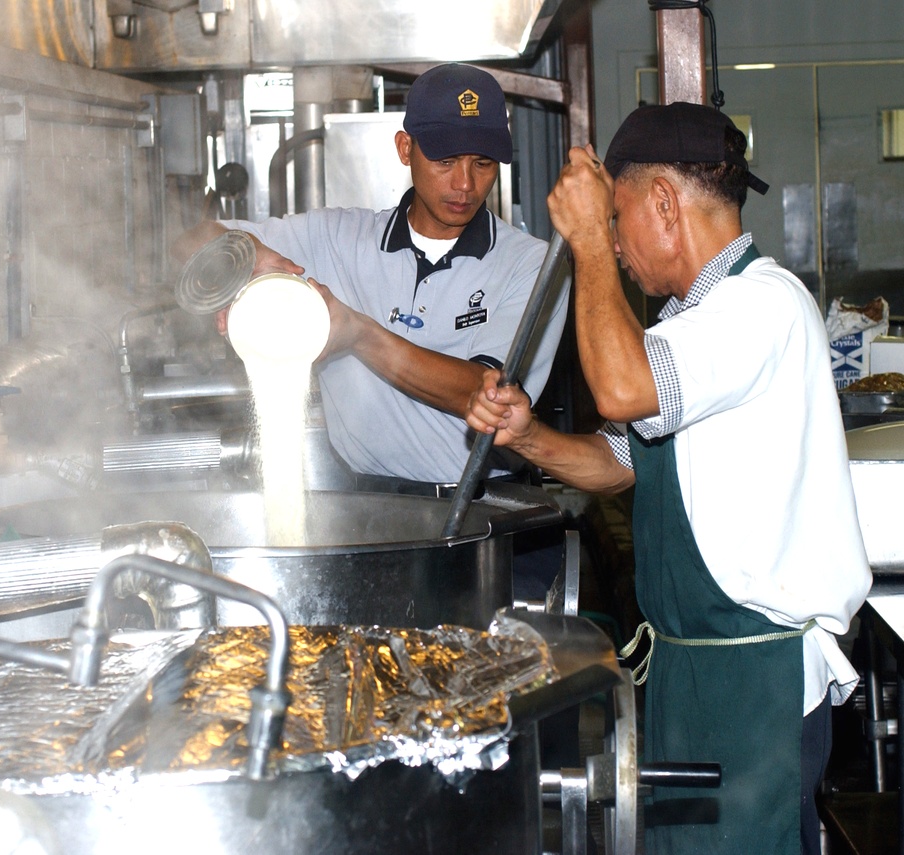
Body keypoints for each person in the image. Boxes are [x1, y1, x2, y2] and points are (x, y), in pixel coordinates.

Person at [465, 101, 873, 855]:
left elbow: (621, 389)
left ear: (662, 202)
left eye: (618, 219)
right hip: (692, 666)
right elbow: (621, 463)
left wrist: (586, 240)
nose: (615, 243)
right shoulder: (692, 321)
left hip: (755, 677)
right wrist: (530, 436)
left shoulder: (762, 306)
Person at [173, 63, 569, 488]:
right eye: (446, 160)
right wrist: (241, 259)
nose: (465, 184)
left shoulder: (533, 265)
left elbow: (488, 395)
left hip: (488, 506)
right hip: (369, 502)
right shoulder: (336, 238)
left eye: (483, 163)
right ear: (405, 148)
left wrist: (359, 334)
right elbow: (188, 243)